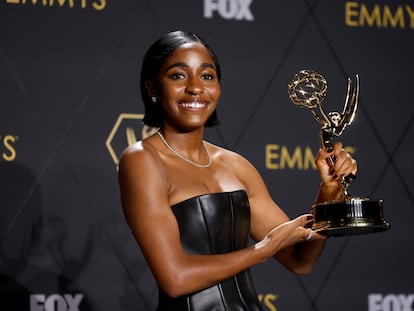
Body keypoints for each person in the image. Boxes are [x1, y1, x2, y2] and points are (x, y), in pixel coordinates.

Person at [118, 30, 357, 311]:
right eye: (178, 76)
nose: (196, 88)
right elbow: (175, 278)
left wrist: (329, 191)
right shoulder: (142, 160)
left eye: (207, 76)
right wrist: (263, 249)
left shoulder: (236, 165)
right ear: (153, 88)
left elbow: (300, 261)